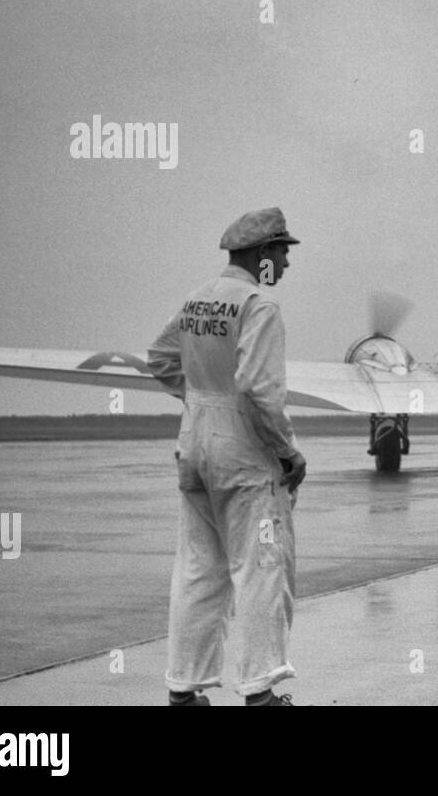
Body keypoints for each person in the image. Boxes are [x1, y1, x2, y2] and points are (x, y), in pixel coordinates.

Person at [147, 208, 307, 706]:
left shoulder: (198, 300)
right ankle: (260, 693)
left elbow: (159, 357)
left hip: (194, 449)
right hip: (245, 462)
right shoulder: (258, 306)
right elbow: (259, 391)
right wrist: (287, 452)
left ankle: (183, 690)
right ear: (261, 254)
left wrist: (200, 400)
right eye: (281, 251)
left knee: (198, 570)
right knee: (260, 568)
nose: (284, 262)